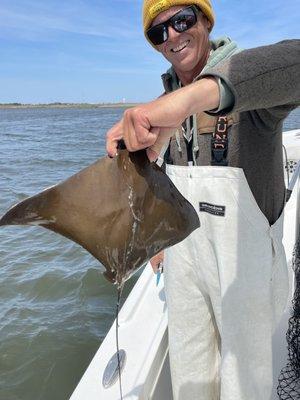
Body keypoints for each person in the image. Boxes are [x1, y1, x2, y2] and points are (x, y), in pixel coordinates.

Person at [106, 1, 300, 399]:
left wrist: (191, 100)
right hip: (183, 263)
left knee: (243, 384)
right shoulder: (158, 108)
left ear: (206, 20)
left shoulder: (254, 84)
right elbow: (162, 179)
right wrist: (155, 237)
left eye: (181, 20)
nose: (173, 36)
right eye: (159, 32)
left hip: (244, 270)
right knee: (190, 373)